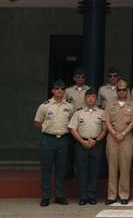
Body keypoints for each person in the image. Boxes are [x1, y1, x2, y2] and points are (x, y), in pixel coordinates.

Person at [34, 79, 74, 207]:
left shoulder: (70, 107)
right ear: (53, 90)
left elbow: (72, 123)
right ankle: (45, 197)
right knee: (46, 169)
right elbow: (38, 123)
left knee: (61, 169)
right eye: (57, 88)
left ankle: (59, 196)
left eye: (62, 88)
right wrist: (48, 130)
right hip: (48, 140)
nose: (60, 90)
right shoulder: (44, 106)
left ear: (65, 91)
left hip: (63, 139)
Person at [68, 88, 107, 206]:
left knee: (94, 171)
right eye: (88, 97)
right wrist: (81, 141)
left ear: (96, 99)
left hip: (96, 144)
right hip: (81, 144)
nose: (90, 99)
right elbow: (72, 129)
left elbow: (105, 129)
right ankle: (83, 196)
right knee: (82, 171)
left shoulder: (101, 113)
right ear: (85, 99)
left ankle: (92, 196)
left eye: (93, 97)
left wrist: (96, 141)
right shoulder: (78, 113)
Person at [103, 80, 133, 205]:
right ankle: (111, 195)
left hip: (126, 138)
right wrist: (114, 133)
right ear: (116, 91)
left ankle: (124, 194)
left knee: (125, 167)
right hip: (112, 137)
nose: (121, 92)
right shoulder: (110, 104)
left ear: (127, 91)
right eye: (119, 90)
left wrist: (123, 134)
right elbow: (106, 121)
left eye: (124, 90)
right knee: (112, 167)